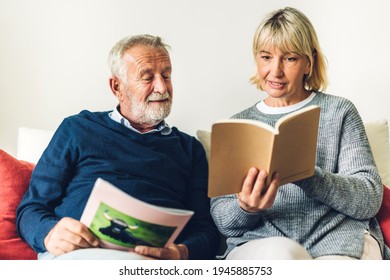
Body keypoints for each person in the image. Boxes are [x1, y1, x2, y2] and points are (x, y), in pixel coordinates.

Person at [16, 34, 219, 260]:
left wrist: (180, 252)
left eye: (166, 75)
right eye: (147, 77)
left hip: (153, 266)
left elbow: (206, 232)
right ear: (116, 86)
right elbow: (30, 209)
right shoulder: (77, 128)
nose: (162, 87)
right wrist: (49, 233)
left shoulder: (189, 149)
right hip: (80, 258)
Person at [210, 7, 390, 260]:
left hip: (337, 239)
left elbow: (368, 199)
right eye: (265, 57)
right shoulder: (239, 124)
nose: (275, 71)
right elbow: (223, 220)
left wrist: (308, 175)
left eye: (290, 58)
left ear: (309, 61)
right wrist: (245, 208)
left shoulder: (339, 111)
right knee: (283, 255)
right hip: (265, 243)